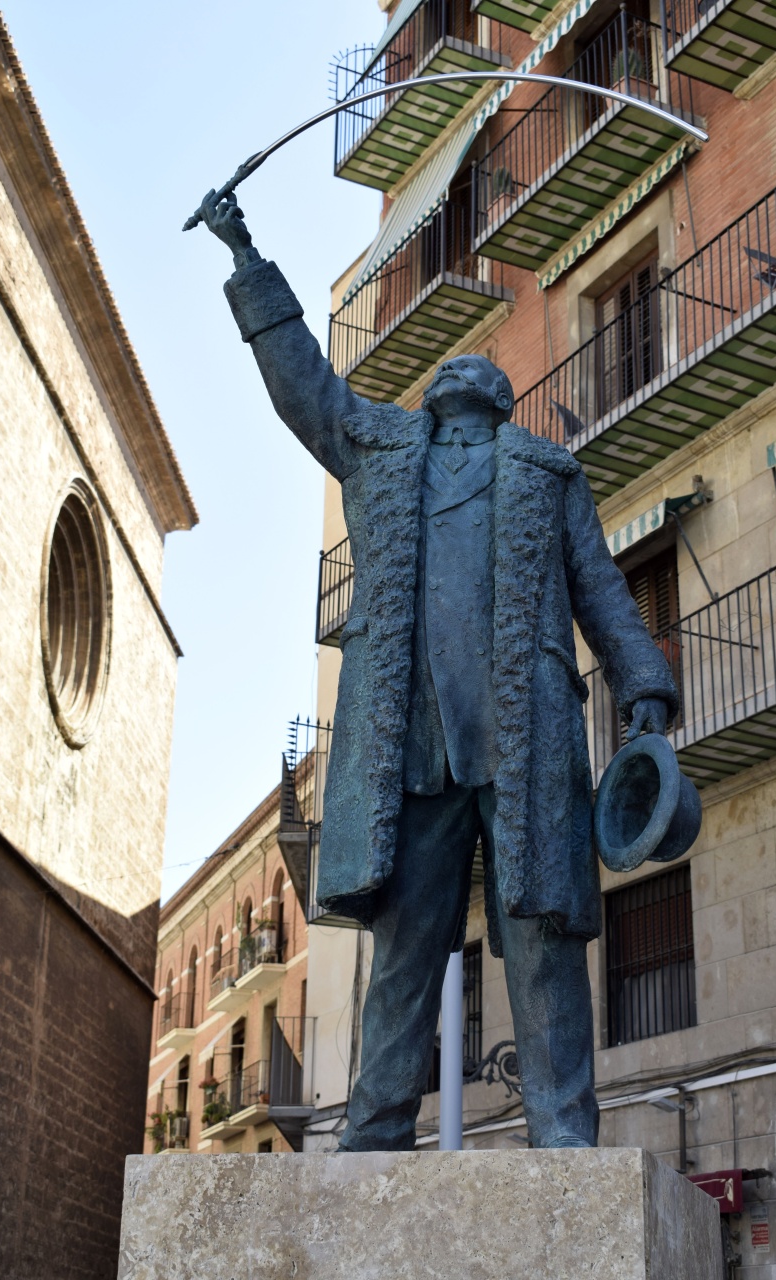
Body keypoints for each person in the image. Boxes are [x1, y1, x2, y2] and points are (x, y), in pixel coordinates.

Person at [200, 189, 677, 1151]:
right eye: (451, 369)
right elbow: (303, 387)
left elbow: (598, 587)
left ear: (500, 403)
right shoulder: (377, 452)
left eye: (480, 369)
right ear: (431, 400)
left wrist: (647, 685)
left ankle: (562, 1138)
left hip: (523, 743)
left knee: (544, 946)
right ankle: (372, 1135)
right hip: (409, 749)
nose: (466, 370)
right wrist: (247, 257)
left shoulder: (545, 471)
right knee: (403, 952)